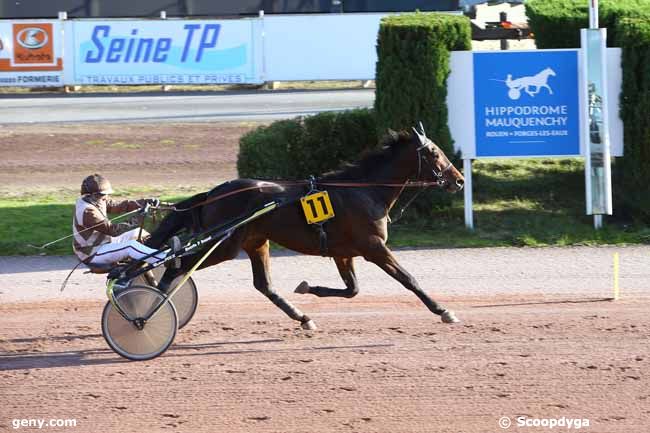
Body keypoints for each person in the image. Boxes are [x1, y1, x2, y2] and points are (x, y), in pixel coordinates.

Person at [72, 174, 179, 268]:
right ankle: (165, 259)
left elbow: (119, 206)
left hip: (105, 243)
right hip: (92, 253)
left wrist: (144, 202)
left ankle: (163, 252)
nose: (106, 197)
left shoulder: (96, 200)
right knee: (130, 246)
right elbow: (113, 231)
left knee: (137, 233)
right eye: (104, 195)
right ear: (93, 195)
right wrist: (138, 218)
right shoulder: (87, 211)